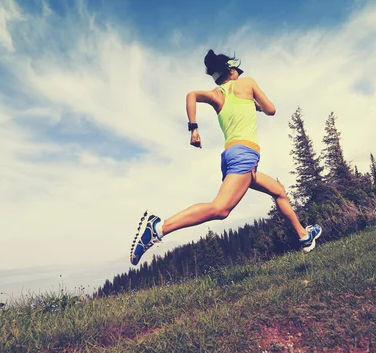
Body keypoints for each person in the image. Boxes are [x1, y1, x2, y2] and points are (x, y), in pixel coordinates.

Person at [130, 50, 321, 266]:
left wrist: (193, 128)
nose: (239, 75)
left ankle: (304, 237)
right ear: (231, 71)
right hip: (244, 155)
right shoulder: (247, 84)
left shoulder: (217, 95)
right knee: (221, 209)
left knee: (279, 191)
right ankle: (159, 228)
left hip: (232, 156)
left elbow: (190, 95)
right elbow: (272, 109)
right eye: (237, 72)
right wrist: (255, 105)